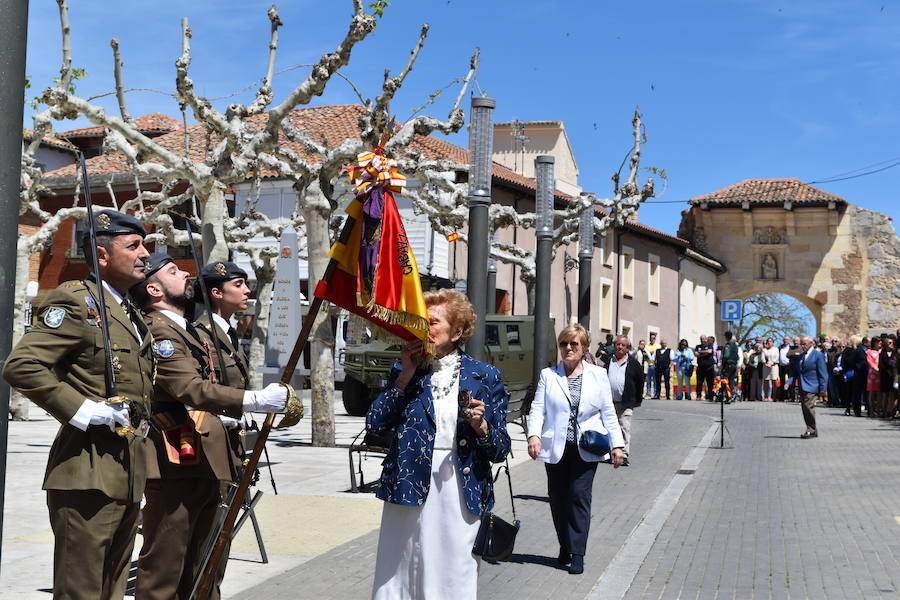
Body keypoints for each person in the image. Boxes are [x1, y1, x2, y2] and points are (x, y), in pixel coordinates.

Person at [3, 210, 153, 600]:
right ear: (102, 256)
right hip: (86, 470)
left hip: (127, 470)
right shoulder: (76, 301)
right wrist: (85, 410)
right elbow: (22, 365)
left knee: (112, 588)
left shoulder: (130, 312)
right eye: (133, 246)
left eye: (146, 245)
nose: (145, 254)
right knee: (80, 591)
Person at [131, 255, 289, 599]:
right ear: (154, 288)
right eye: (173, 271)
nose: (187, 273)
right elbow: (189, 388)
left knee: (202, 563)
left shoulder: (182, 328)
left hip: (201, 453)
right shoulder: (159, 329)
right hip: (175, 454)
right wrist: (254, 400)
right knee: (167, 567)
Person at [368, 289, 510, 600]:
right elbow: (375, 424)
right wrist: (405, 375)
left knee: (453, 568)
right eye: (421, 322)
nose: (425, 330)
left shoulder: (484, 376)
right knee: (401, 566)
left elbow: (500, 448)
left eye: (433, 323)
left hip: (459, 488)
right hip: (406, 483)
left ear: (457, 331)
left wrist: (481, 427)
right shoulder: (405, 369)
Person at [526, 324, 624, 575]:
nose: (568, 348)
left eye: (574, 344)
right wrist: (534, 435)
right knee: (558, 500)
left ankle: (577, 553)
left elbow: (608, 413)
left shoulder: (598, 375)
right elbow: (538, 409)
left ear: (584, 348)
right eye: (563, 344)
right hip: (556, 448)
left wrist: (617, 445)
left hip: (586, 449)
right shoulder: (549, 375)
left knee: (579, 498)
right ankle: (564, 545)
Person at [600, 335, 644, 467]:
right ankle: (609, 453)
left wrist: (637, 400)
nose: (620, 347)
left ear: (627, 348)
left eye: (623, 345)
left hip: (626, 402)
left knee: (624, 427)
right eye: (618, 344)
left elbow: (640, 382)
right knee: (608, 427)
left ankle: (624, 455)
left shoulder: (634, 364)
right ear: (614, 346)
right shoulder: (608, 361)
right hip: (609, 402)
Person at [789, 336, 828, 438]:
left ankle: (811, 429)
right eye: (801, 344)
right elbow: (795, 372)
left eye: (804, 344)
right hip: (802, 385)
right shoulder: (801, 356)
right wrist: (788, 383)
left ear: (811, 344)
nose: (802, 346)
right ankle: (812, 429)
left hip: (812, 385)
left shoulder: (818, 355)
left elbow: (823, 372)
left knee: (808, 406)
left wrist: (823, 388)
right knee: (805, 408)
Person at [878, 336, 897, 420]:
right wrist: (888, 368)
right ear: (886, 344)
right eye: (889, 343)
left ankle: (891, 412)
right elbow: (881, 365)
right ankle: (884, 411)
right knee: (885, 395)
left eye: (892, 342)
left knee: (892, 394)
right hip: (885, 376)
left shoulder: (895, 353)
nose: (891, 344)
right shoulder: (882, 353)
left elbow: (896, 363)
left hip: (893, 376)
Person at [849, 335, 868, 417]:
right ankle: (857, 411)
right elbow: (851, 361)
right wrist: (858, 367)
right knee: (857, 393)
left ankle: (869, 409)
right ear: (865, 342)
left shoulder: (870, 350)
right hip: (859, 375)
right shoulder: (857, 351)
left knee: (866, 393)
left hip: (867, 375)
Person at [695, 335, 716, 401]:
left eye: (703, 339)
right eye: (701, 339)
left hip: (709, 367)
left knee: (710, 383)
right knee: (699, 382)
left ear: (706, 339)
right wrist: (705, 353)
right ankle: (698, 396)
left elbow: (709, 351)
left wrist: (700, 353)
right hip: (700, 367)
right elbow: (696, 354)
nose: (702, 340)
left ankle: (711, 396)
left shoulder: (710, 345)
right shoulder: (698, 346)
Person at [866, 337, 883, 417]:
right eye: (878, 342)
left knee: (879, 393)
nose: (880, 343)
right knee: (872, 393)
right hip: (873, 374)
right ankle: (872, 411)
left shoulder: (881, 351)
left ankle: (879, 410)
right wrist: (876, 369)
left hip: (880, 374)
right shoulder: (869, 352)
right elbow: (870, 362)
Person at [721, 331, 739, 401]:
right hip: (734, 365)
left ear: (726, 337)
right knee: (731, 381)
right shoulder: (735, 345)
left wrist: (723, 363)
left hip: (728, 365)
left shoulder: (728, 345)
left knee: (725, 381)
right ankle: (732, 395)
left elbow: (726, 355)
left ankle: (728, 396)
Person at [645, 332, 661, 399]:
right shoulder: (646, 346)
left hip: (655, 366)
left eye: (654, 338)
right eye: (651, 338)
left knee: (655, 381)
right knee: (648, 381)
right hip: (648, 365)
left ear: (655, 339)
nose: (652, 339)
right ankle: (648, 394)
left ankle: (655, 394)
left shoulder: (658, 346)